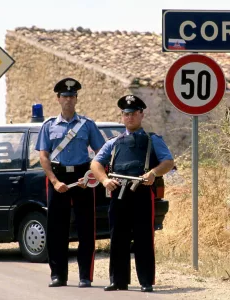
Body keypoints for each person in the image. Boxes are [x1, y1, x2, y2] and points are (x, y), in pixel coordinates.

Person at [90, 95, 174, 293]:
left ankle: (146, 281)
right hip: (119, 193)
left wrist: (153, 173)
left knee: (144, 238)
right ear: (122, 116)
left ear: (141, 114)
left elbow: (168, 162)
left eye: (134, 113)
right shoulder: (113, 142)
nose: (129, 117)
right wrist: (104, 180)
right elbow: (95, 163)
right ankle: (118, 281)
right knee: (118, 237)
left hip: (142, 192)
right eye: (126, 114)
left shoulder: (152, 140)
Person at [35, 77, 105, 288]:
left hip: (82, 177)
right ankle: (58, 275)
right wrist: (55, 182)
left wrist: (91, 175)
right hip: (58, 177)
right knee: (57, 228)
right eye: (64, 96)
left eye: (72, 96)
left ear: (76, 99)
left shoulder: (87, 125)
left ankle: (85, 276)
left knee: (86, 228)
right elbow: (44, 156)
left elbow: (101, 151)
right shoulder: (48, 126)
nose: (68, 99)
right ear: (58, 99)